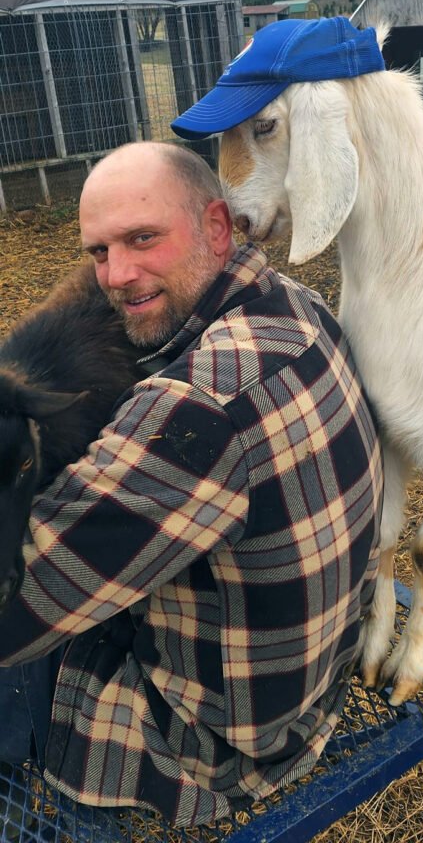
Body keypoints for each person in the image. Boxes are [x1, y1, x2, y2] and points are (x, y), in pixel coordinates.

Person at [0, 142, 383, 828]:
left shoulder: (188, 415)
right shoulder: (297, 307)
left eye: (143, 239)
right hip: (319, 675)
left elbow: (23, 606)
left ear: (216, 226)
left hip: (216, 746)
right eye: (98, 253)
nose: (117, 275)